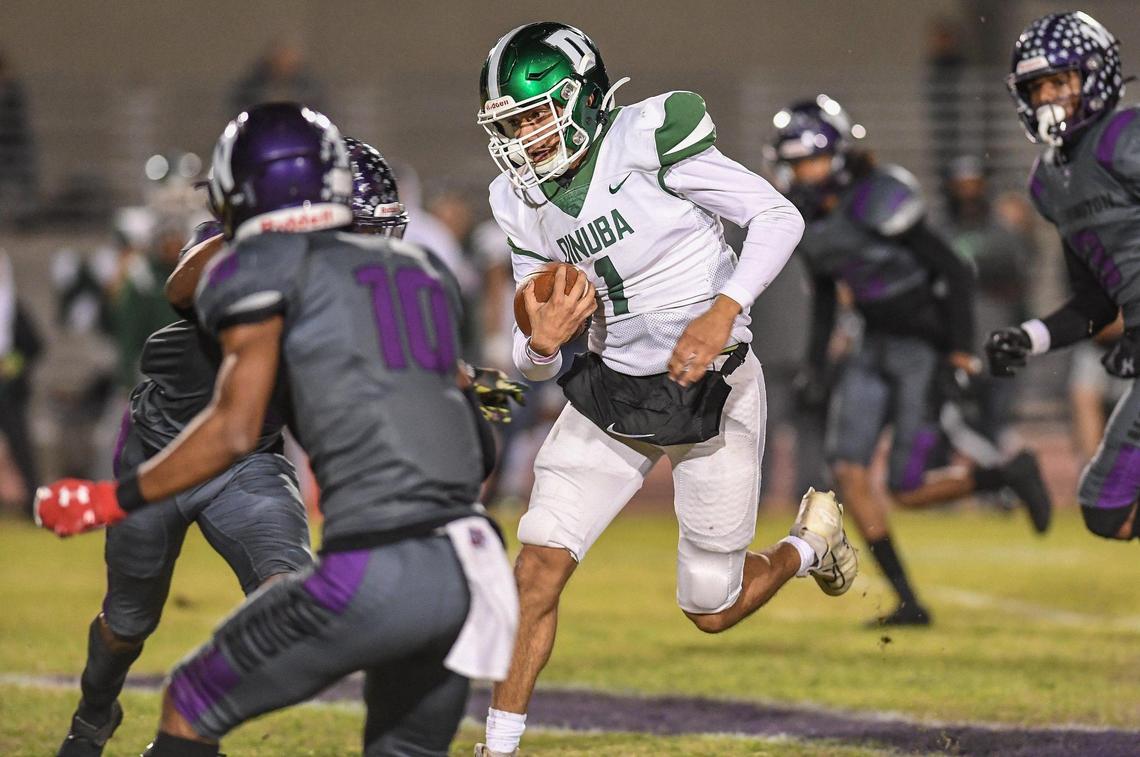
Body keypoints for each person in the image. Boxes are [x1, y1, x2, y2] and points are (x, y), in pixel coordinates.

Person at [36, 105, 518, 757]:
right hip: (469, 562)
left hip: (288, 493)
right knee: (128, 620)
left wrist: (104, 499)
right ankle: (93, 716)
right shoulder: (418, 275)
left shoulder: (281, 270)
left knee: (203, 684)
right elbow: (476, 446)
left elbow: (235, 427)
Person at [473, 23, 856, 756]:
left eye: (534, 115)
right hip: (611, 395)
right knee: (536, 568)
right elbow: (532, 358)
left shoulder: (647, 136)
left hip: (710, 387)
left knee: (710, 605)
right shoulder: (516, 199)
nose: (524, 138)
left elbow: (777, 215)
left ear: (582, 98)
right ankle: (498, 748)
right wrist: (543, 344)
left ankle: (809, 545)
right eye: (510, 125)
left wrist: (725, 308)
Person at [770, 95, 1053, 628]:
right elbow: (827, 299)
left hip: (919, 348)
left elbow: (955, 271)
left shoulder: (878, 195)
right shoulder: (807, 219)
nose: (803, 172)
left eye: (811, 159)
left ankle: (1005, 475)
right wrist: (816, 366)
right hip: (871, 344)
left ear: (837, 154)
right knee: (849, 471)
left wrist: (959, 351)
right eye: (796, 162)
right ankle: (908, 602)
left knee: (908, 488)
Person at [987, 11, 1140, 543]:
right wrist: (1029, 337)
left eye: (1059, 82)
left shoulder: (1125, 137)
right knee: (1106, 509)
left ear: (1094, 76)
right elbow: (1094, 303)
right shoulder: (1049, 181)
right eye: (1037, 88)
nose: (1047, 97)